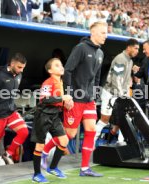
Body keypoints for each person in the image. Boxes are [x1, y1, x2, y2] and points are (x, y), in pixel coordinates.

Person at [43, 21, 108, 177]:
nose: (105, 36)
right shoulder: (80, 48)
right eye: (102, 33)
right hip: (76, 100)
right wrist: (69, 95)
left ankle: (85, 168)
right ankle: (44, 153)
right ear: (93, 33)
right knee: (69, 135)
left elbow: (97, 77)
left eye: (106, 33)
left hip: (89, 100)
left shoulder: (100, 53)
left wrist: (95, 94)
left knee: (91, 131)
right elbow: (69, 71)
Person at [31, 58, 72, 183]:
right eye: (57, 65)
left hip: (54, 116)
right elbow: (44, 99)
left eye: (61, 65)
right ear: (50, 70)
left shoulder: (60, 81)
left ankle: (53, 167)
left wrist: (66, 103)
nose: (61, 67)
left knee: (64, 140)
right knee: (40, 145)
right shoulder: (48, 82)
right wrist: (62, 98)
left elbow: (59, 101)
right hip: (43, 115)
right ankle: (36, 174)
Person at [0, 53, 29, 168]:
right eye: (19, 67)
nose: (21, 70)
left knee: (24, 132)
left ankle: (8, 154)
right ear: (12, 63)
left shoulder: (19, 75)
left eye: (23, 68)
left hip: (11, 112)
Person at [95, 38, 140, 141]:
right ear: (129, 47)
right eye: (136, 48)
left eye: (138, 49)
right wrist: (122, 96)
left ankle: (122, 143)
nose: (137, 51)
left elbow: (126, 79)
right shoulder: (121, 59)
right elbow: (116, 80)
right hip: (110, 93)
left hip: (120, 94)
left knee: (124, 119)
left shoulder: (130, 60)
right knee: (104, 120)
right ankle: (91, 143)